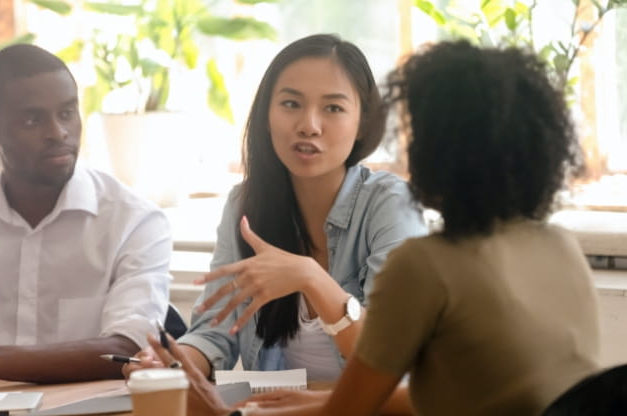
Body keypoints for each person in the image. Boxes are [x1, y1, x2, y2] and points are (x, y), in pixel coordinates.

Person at [147, 40, 602, 416]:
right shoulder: (559, 246)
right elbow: (450, 398)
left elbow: (351, 410)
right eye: (290, 104)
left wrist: (234, 414)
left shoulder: (425, 261)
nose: (310, 125)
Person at [125, 33, 427, 381]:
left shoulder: (391, 204)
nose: (309, 126)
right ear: (267, 113)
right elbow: (213, 335)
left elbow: (391, 357)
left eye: (333, 108)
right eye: (291, 104)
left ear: (362, 123)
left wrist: (312, 278)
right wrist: (171, 362)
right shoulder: (245, 204)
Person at [0, 44, 172, 383]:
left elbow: (129, 349)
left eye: (67, 113)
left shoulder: (134, 221)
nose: (58, 133)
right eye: (32, 119)